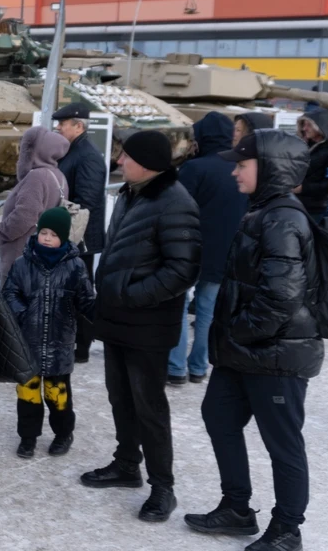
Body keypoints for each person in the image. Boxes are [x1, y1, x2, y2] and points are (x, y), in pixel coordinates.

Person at [184, 129, 322, 551]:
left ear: (271, 169)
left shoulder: (283, 218)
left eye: (242, 165)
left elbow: (280, 296)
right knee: (218, 416)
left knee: (282, 443)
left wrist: (237, 332)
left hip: (276, 355)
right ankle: (237, 507)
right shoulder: (262, 210)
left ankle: (287, 530)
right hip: (245, 351)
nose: (234, 173)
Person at [81, 130, 200, 524]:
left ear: (146, 163)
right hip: (118, 320)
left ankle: (162, 487)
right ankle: (127, 464)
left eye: (125, 157)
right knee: (121, 399)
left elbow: (183, 270)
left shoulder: (175, 202)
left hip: (147, 325)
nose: (118, 162)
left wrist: (131, 295)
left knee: (149, 407)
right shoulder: (132, 194)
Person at [1, 207, 95, 459]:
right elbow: (9, 293)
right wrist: (23, 312)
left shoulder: (75, 267)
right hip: (28, 343)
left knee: (58, 397)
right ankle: (28, 438)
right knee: (28, 396)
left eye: (53, 234)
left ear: (63, 238)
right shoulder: (22, 264)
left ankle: (63, 434)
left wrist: (99, 316)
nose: (47, 238)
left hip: (59, 345)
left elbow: (86, 300)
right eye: (43, 232)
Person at [168, 112, 247, 386]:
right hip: (224, 251)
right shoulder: (240, 167)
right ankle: (199, 366)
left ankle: (176, 368)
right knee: (207, 312)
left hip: (190, 249)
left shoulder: (195, 168)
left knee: (178, 307)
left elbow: (177, 208)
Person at [53, 102, 107, 363]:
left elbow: (87, 201)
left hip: (81, 238)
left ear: (79, 125)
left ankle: (82, 345)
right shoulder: (75, 150)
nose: (58, 128)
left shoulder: (87, 155)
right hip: (74, 236)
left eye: (63, 124)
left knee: (81, 292)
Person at [0, 126, 70, 286]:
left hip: (22, 254)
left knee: (12, 305)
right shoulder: (59, 176)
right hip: (41, 254)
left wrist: (3, 232)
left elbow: (25, 215)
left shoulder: (36, 177)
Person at [295, 108, 328, 221]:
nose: (304, 128)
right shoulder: (304, 145)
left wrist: (303, 188)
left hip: (316, 208)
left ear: (320, 126)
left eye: (309, 125)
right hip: (298, 202)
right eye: (303, 124)